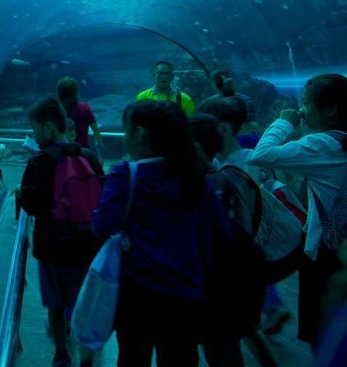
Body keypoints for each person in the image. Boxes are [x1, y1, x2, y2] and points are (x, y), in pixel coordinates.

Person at [92, 99, 230, 366]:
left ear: (140, 134)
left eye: (127, 130)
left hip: (136, 294)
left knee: (133, 357)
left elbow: (101, 225)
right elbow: (221, 234)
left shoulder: (126, 175)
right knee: (180, 359)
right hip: (186, 294)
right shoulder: (196, 177)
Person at [247, 73, 347, 347]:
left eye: (306, 103)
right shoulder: (339, 141)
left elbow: (261, 155)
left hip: (327, 252)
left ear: (331, 109)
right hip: (342, 247)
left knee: (323, 332)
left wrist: (284, 122)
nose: (302, 109)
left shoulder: (323, 145)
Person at [189, 106, 279, 367]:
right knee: (235, 339)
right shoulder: (228, 176)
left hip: (216, 283)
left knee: (220, 347)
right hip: (239, 277)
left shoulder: (206, 184)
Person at [17, 97, 104, 367]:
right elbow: (102, 194)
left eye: (35, 129)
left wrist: (21, 194)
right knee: (84, 302)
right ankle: (87, 356)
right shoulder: (88, 156)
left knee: (55, 304)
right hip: (86, 246)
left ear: (49, 128)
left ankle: (61, 354)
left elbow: (33, 204)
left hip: (52, 248)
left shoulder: (40, 161)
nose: (34, 135)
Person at [199, 70, 260, 148]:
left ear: (214, 85)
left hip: (227, 144)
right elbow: (254, 125)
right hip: (249, 140)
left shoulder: (210, 104)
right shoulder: (245, 100)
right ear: (232, 82)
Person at [58, 77, 104, 153]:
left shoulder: (56, 109)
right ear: (76, 92)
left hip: (62, 150)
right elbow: (95, 129)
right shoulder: (84, 107)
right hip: (82, 150)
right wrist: (99, 142)